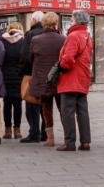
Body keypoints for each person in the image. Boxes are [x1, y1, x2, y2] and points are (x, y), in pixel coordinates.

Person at [56, 10, 93, 152]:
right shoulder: (87, 36)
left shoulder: (73, 36)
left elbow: (67, 59)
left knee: (68, 111)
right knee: (82, 110)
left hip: (70, 78)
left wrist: (62, 67)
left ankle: (69, 142)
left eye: (71, 20)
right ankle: (85, 141)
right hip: (83, 77)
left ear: (77, 21)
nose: (70, 22)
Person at [29, 12, 66, 147]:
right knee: (63, 109)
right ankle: (68, 136)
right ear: (56, 23)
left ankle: (50, 138)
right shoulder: (63, 39)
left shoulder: (36, 40)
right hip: (60, 78)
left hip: (43, 79)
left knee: (46, 108)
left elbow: (31, 59)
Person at [19, 11, 46, 143]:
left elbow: (24, 56)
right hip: (47, 75)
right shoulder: (51, 33)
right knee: (45, 104)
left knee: (31, 105)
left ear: (34, 20)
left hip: (31, 74)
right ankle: (46, 132)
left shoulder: (31, 34)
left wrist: (23, 73)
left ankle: (34, 132)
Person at [0, 22, 24, 140]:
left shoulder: (2, 41)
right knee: (18, 103)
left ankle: (7, 130)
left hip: (5, 75)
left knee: (7, 103)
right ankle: (17, 130)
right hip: (19, 75)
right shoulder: (22, 41)